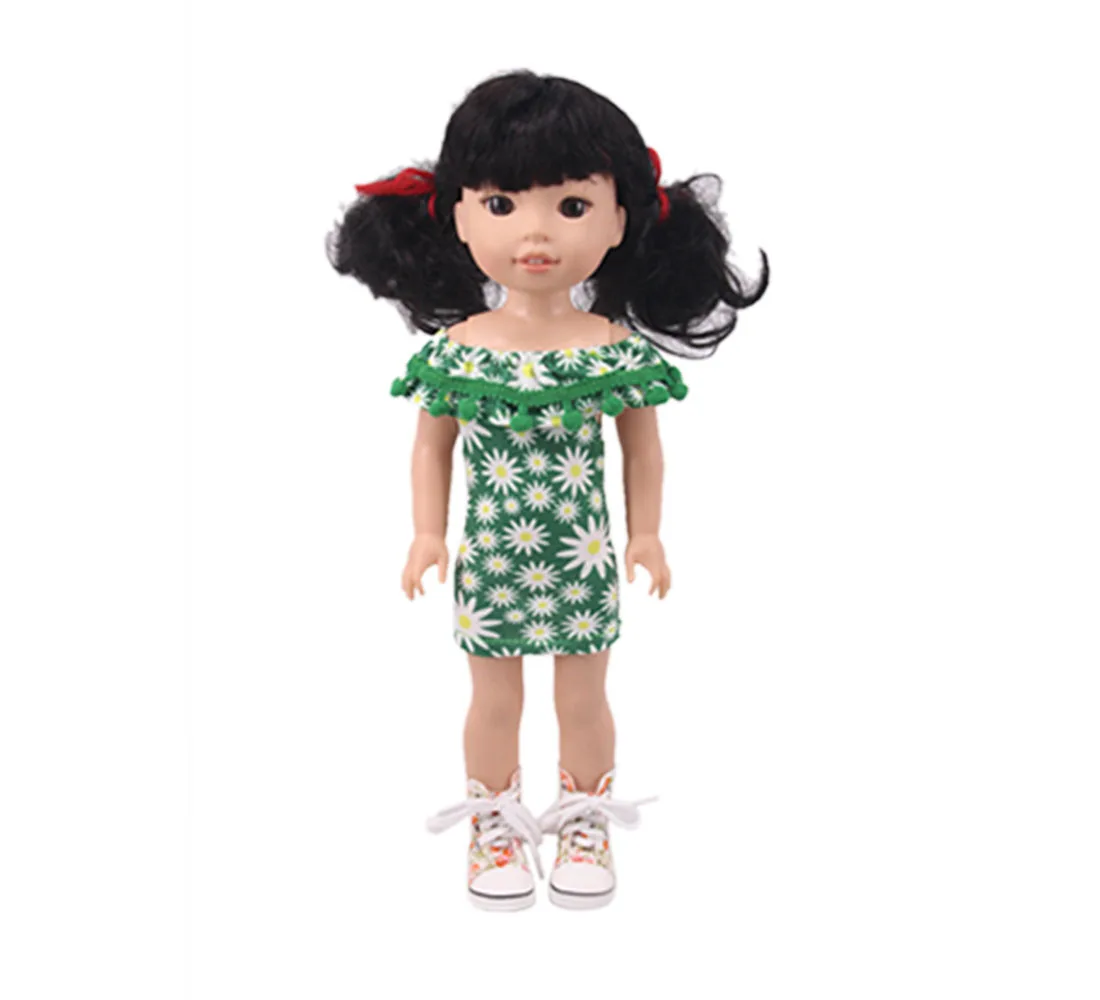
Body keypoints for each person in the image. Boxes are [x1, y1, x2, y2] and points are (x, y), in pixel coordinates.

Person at [327, 69, 769, 910]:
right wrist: (427, 534)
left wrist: (647, 534)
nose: (535, 232)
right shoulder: (460, 350)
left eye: (571, 205)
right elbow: (431, 447)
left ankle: (584, 818)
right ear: (458, 213)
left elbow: (643, 448)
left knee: (584, 695)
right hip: (492, 558)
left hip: (583, 557)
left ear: (619, 219)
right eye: (501, 204)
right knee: (492, 698)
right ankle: (494, 822)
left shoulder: (612, 349)